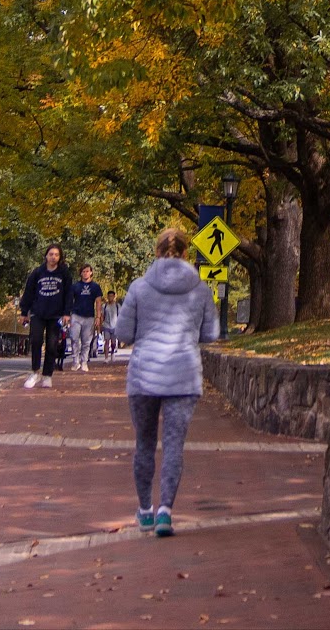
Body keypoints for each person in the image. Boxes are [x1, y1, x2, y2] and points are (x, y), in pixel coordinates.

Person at [112, 228, 219, 537]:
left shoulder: (139, 288)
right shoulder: (200, 289)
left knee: (144, 443)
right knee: (174, 445)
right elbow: (211, 334)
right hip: (183, 376)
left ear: (156, 252)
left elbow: (123, 334)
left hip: (145, 375)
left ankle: (144, 510)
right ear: (186, 253)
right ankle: (165, 512)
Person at [18, 245, 73, 389]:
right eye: (50, 254)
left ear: (60, 257)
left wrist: (67, 313)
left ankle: (47, 375)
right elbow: (28, 292)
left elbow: (68, 294)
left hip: (56, 315)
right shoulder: (38, 272)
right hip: (38, 312)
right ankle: (35, 372)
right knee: (36, 340)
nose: (53, 257)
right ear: (46, 256)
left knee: (52, 345)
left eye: (56, 254)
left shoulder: (64, 273)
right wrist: (24, 312)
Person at [68, 265, 104, 373]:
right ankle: (75, 361)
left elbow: (98, 302)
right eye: (83, 271)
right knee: (74, 338)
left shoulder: (95, 287)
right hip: (76, 315)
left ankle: (84, 362)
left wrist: (98, 317)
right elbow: (70, 300)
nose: (85, 273)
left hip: (89, 317)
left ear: (91, 273)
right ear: (81, 273)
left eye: (87, 271)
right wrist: (68, 315)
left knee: (86, 341)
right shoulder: (75, 286)